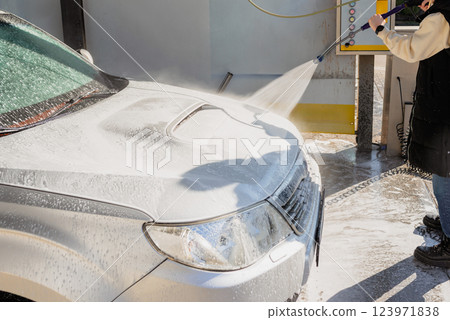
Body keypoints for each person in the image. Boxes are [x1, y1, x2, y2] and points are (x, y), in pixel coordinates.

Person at [369, 0, 450, 268]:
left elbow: (411, 49)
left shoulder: (439, 19)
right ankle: (448, 220)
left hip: (444, 106)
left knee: (444, 173)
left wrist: (381, 30)